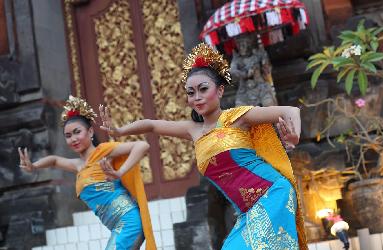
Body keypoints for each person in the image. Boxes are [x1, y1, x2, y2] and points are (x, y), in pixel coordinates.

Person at [99, 43, 307, 249]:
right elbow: (152, 125)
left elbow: (291, 111)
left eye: (203, 89)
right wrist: (119, 131)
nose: (196, 97)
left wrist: (294, 136)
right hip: (247, 211)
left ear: (220, 90)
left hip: (272, 193)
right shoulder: (193, 130)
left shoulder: (236, 117)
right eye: (191, 92)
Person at [18, 96, 156, 250]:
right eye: (68, 136)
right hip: (117, 226)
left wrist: (120, 172)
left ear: (90, 131)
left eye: (77, 132)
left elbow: (142, 146)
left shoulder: (103, 152)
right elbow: (55, 160)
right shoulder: (78, 166)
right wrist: (34, 166)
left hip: (129, 221)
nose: (73, 139)